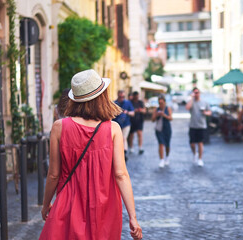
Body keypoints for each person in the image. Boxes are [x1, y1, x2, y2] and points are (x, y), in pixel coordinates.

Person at [40, 69, 142, 240]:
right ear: (101, 96)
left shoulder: (59, 127)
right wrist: (133, 217)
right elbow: (121, 174)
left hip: (68, 203)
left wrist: (46, 205)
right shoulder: (113, 129)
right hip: (104, 207)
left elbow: (53, 174)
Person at [185, 87, 211, 167]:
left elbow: (209, 112)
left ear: (199, 93)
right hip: (192, 125)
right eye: (194, 92)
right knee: (192, 143)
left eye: (197, 92)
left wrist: (205, 113)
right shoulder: (191, 102)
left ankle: (200, 159)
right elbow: (187, 108)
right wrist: (192, 98)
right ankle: (195, 154)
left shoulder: (204, 102)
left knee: (200, 143)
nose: (196, 94)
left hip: (201, 125)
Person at [151, 95, 173, 168]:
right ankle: (161, 160)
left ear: (164, 102)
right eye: (159, 103)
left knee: (167, 145)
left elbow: (171, 118)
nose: (160, 104)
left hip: (167, 128)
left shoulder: (168, 108)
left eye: (162, 103)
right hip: (159, 129)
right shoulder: (156, 109)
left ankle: (167, 156)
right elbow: (152, 120)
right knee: (161, 143)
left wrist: (164, 115)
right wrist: (157, 115)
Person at [114, 90, 135, 161]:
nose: (121, 98)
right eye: (120, 97)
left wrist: (127, 112)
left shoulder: (128, 103)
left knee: (124, 138)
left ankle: (124, 153)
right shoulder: (114, 103)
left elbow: (133, 113)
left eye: (123, 97)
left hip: (126, 124)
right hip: (117, 125)